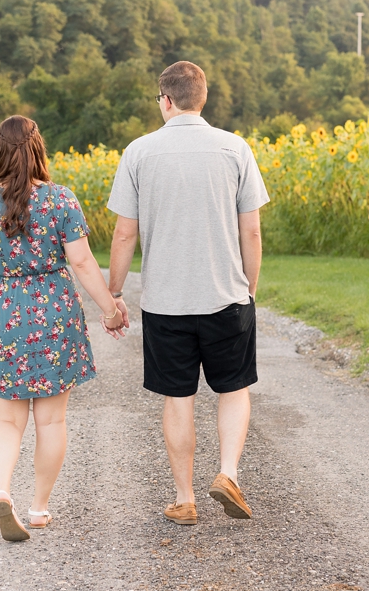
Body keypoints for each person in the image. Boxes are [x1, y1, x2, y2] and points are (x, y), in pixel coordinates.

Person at [105, 60, 268, 526]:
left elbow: (123, 234)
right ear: (203, 98)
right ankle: (228, 474)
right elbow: (251, 231)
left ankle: (185, 498)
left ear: (166, 99)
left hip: (165, 303)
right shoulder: (235, 148)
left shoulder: (139, 152)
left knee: (178, 398)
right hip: (227, 297)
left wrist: (114, 294)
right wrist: (248, 287)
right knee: (234, 389)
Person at [0, 115, 126, 542]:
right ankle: (38, 508)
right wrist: (110, 309)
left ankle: (1, 491)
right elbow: (83, 263)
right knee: (51, 422)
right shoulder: (60, 199)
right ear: (38, 150)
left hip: (3, 314)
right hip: (55, 314)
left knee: (7, 420)